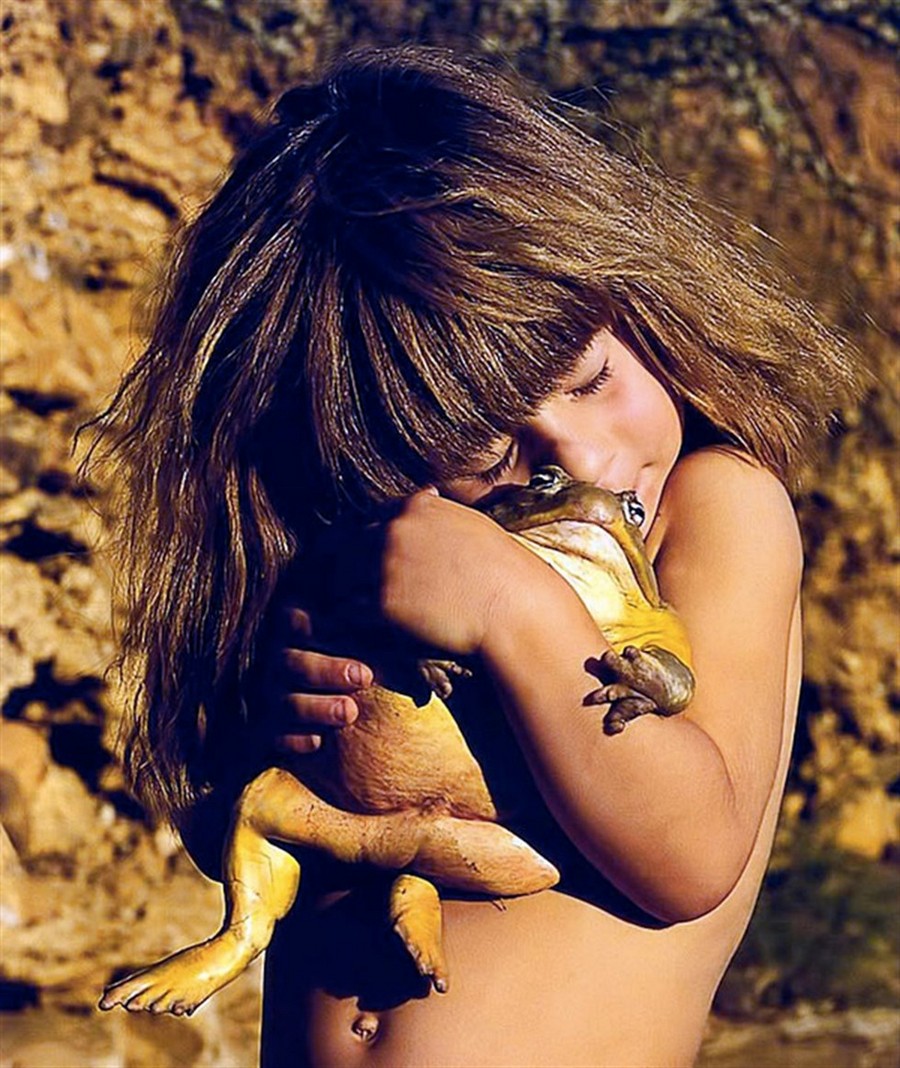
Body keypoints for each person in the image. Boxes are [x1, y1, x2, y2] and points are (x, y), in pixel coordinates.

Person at [89, 44, 858, 1067]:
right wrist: (277, 725)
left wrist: (512, 610)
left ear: (634, 303)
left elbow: (692, 855)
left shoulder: (716, 509)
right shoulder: (396, 561)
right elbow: (225, 830)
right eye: (490, 456)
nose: (584, 458)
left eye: (589, 380)